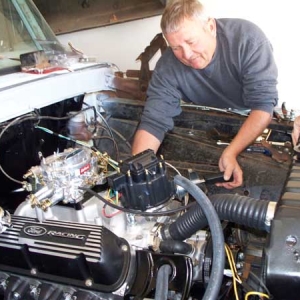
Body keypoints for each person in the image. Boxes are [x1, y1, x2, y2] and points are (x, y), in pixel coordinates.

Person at [132, 0, 278, 189]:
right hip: (203, 125)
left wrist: (231, 152)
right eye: (176, 48)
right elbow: (154, 122)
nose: (187, 54)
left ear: (210, 26)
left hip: (249, 119)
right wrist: (136, 172)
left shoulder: (248, 39)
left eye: (191, 42)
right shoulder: (167, 66)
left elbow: (263, 106)